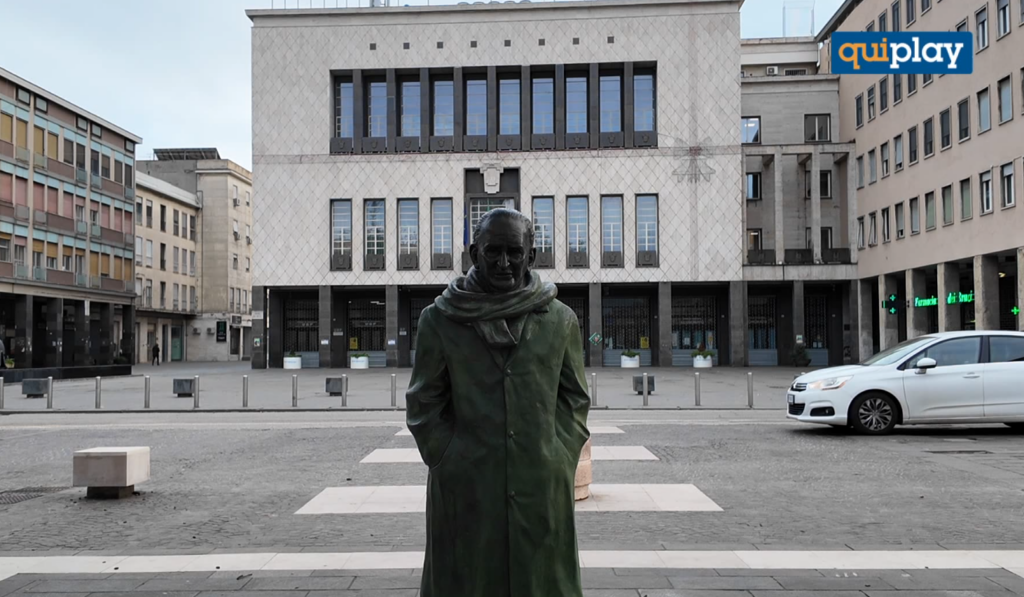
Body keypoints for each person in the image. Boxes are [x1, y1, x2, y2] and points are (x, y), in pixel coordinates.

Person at [406, 208, 591, 597]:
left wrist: (559, 455)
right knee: (466, 578)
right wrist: (447, 456)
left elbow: (573, 399)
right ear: (474, 253)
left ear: (532, 256)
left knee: (541, 580)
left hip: (540, 481)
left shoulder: (561, 321)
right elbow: (424, 402)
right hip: (466, 483)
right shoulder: (439, 320)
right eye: (493, 252)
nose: (504, 263)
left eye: (514, 252)